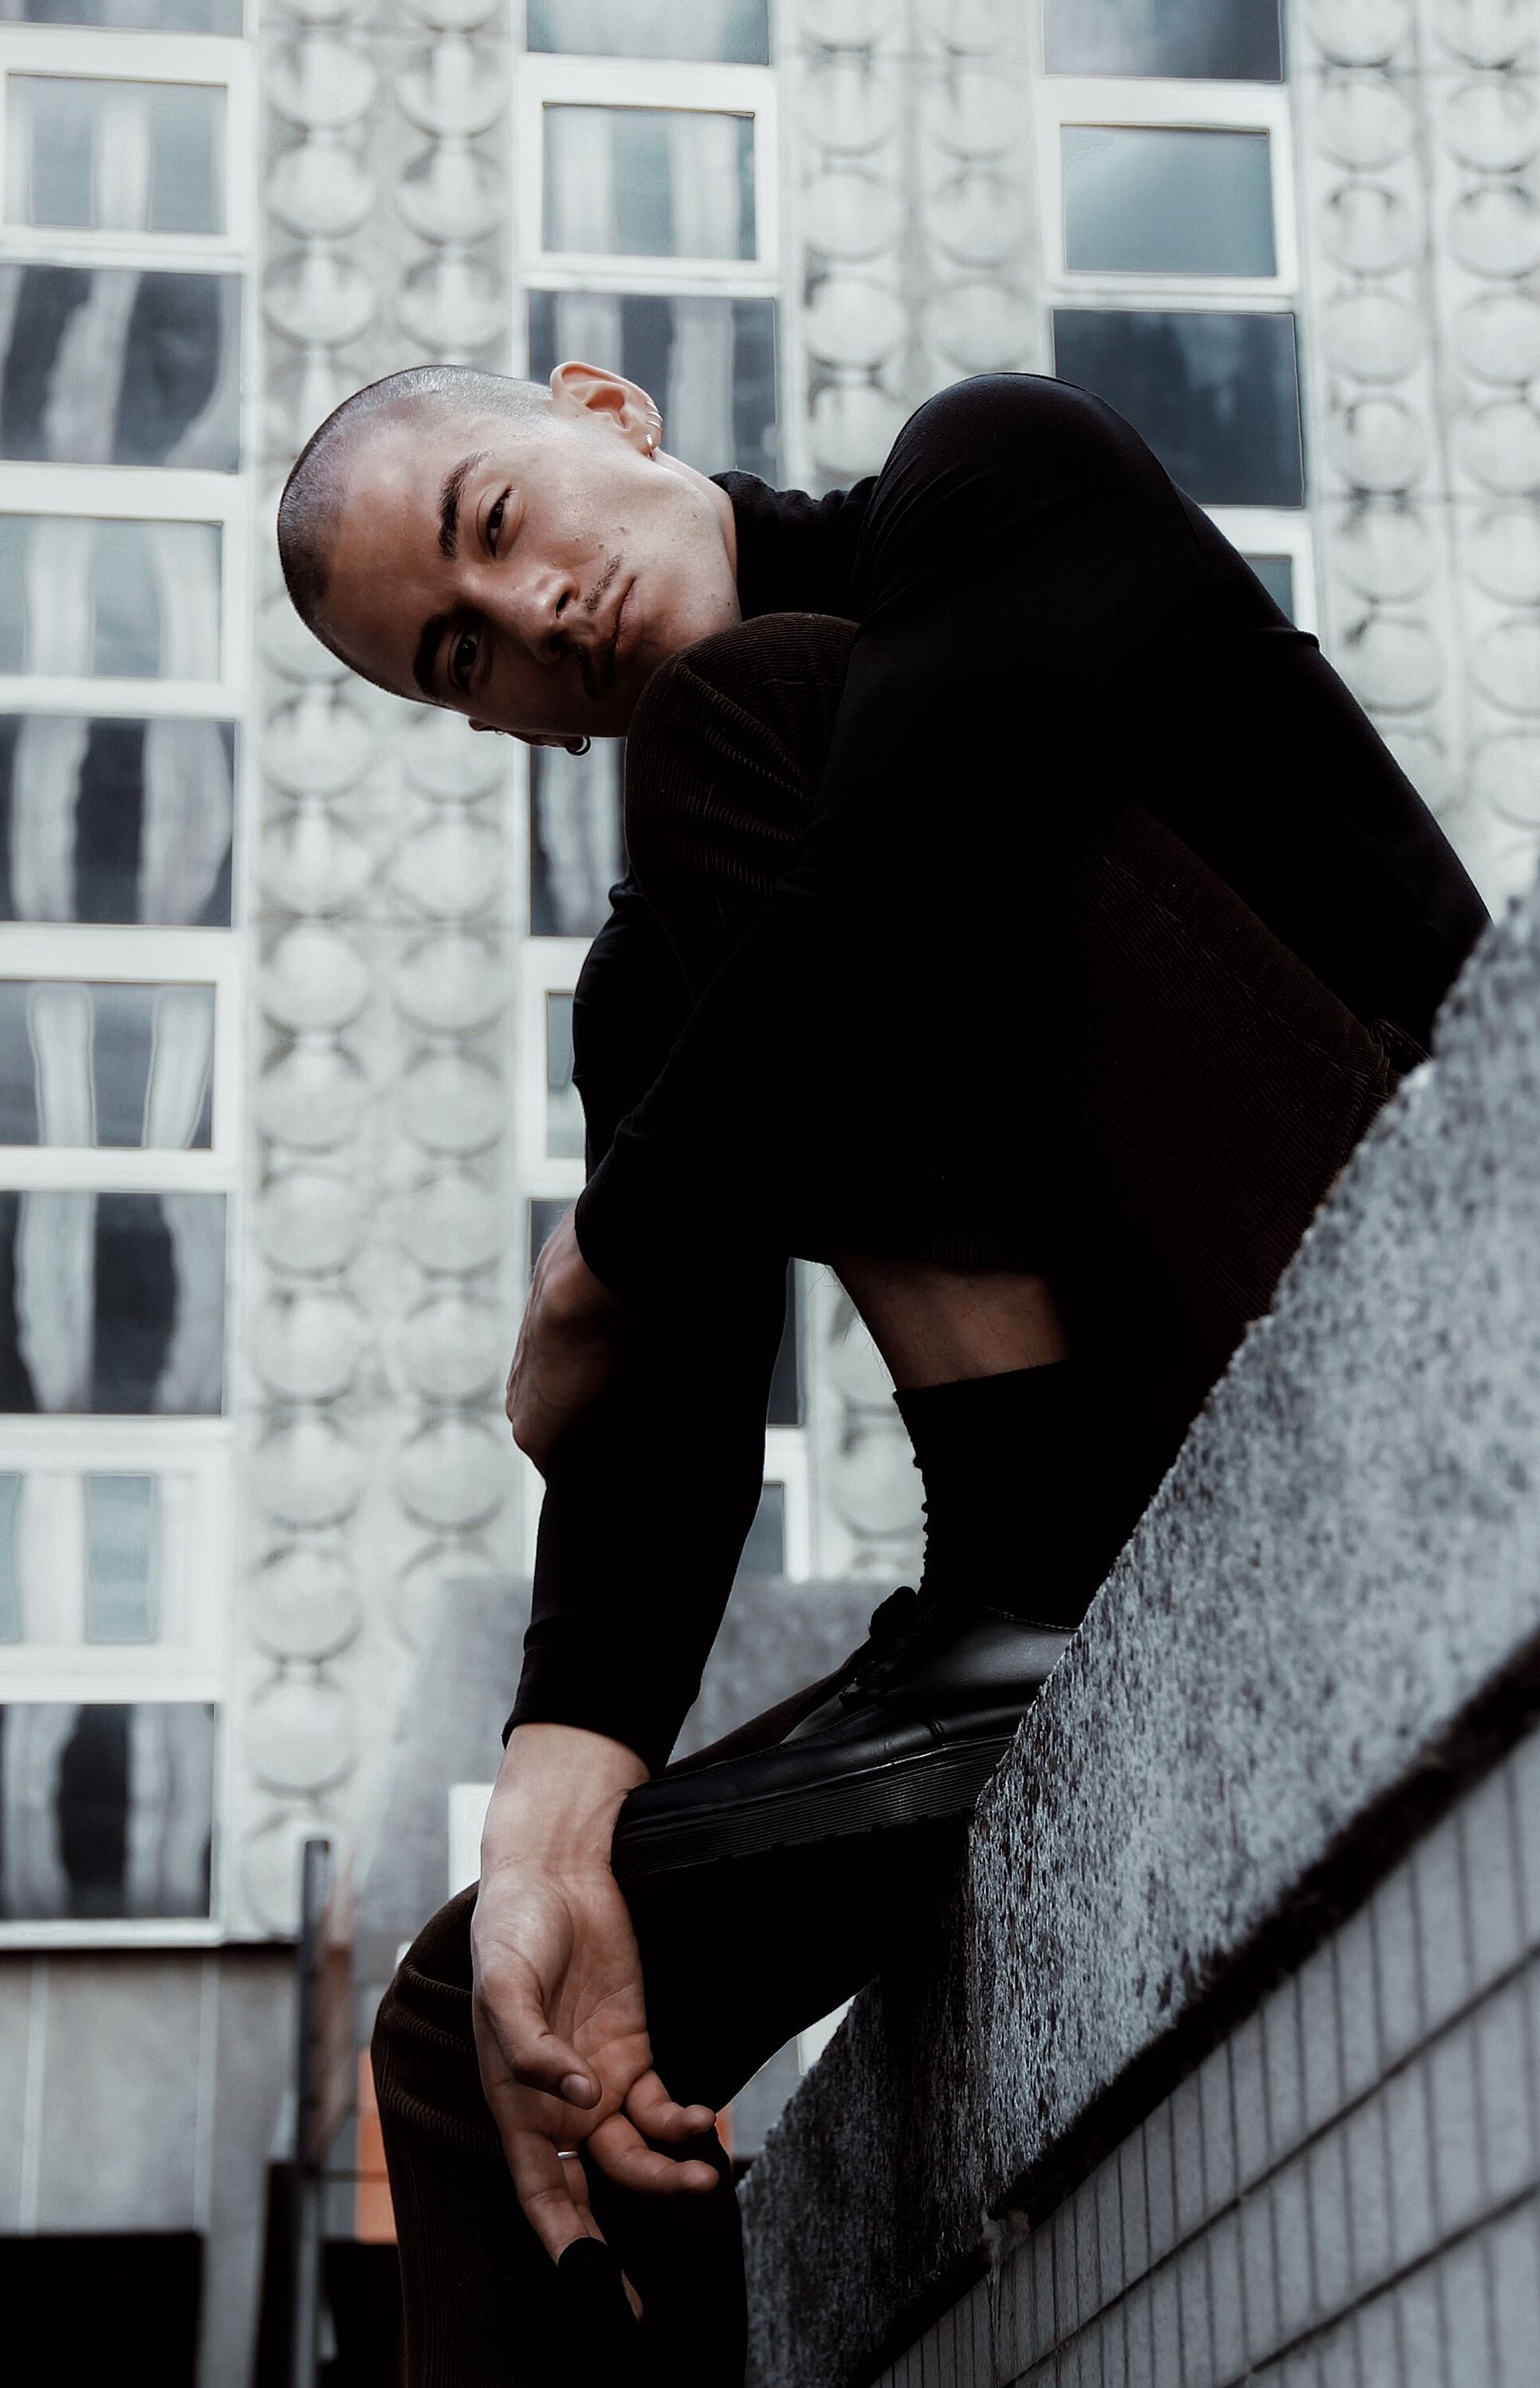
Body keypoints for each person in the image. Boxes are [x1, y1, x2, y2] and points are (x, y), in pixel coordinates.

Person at [277, 361, 1488, 2383]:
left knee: (754, 733)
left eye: (498, 523)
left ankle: (1027, 1553)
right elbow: (653, 1445)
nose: (535, 624)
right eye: (458, 659)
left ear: (611, 411)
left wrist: (604, 1256)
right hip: (1060, 1614)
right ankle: (1014, 1595)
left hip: (1383, 1275)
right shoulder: (669, 978)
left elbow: (901, 894)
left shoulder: (1000, 474)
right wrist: (548, 1829)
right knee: (482, 2026)